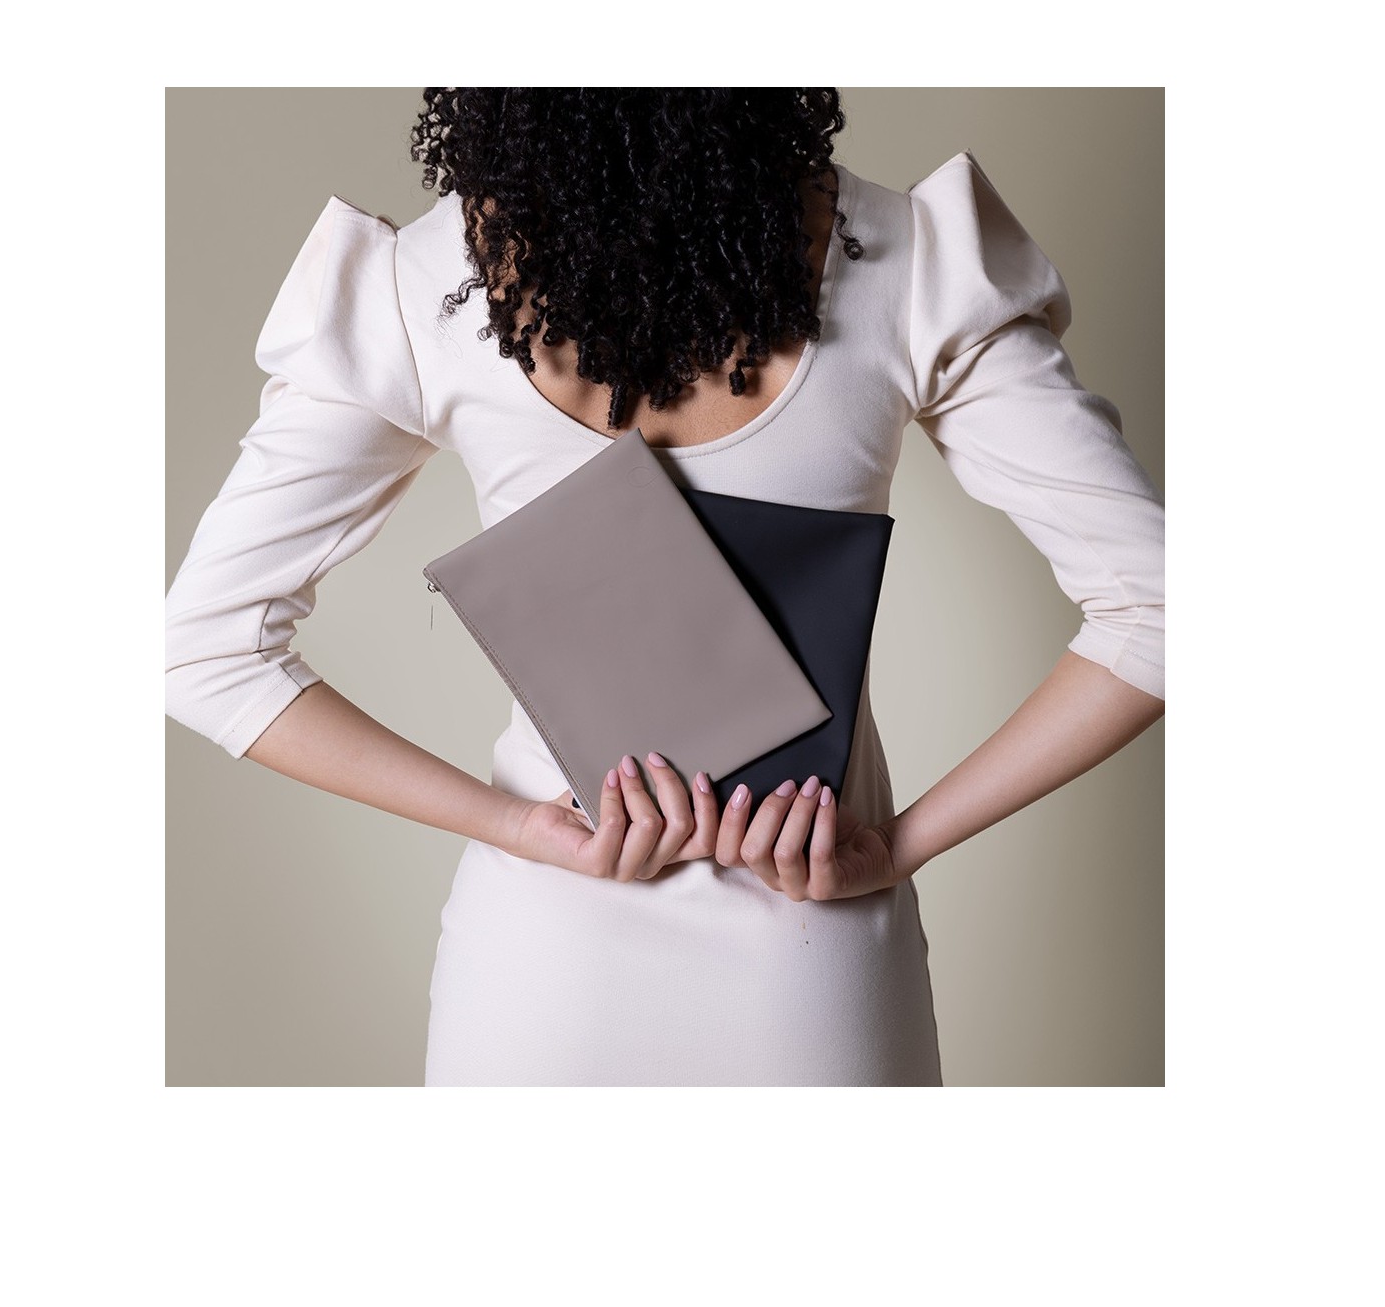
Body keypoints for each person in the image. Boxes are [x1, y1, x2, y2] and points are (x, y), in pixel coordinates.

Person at [164, 88, 1165, 1086]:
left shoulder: (428, 286)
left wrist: (515, 826)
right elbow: (1160, 612)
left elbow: (204, 652)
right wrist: (897, 847)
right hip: (814, 967)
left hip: (539, 972)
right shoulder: (909, 262)